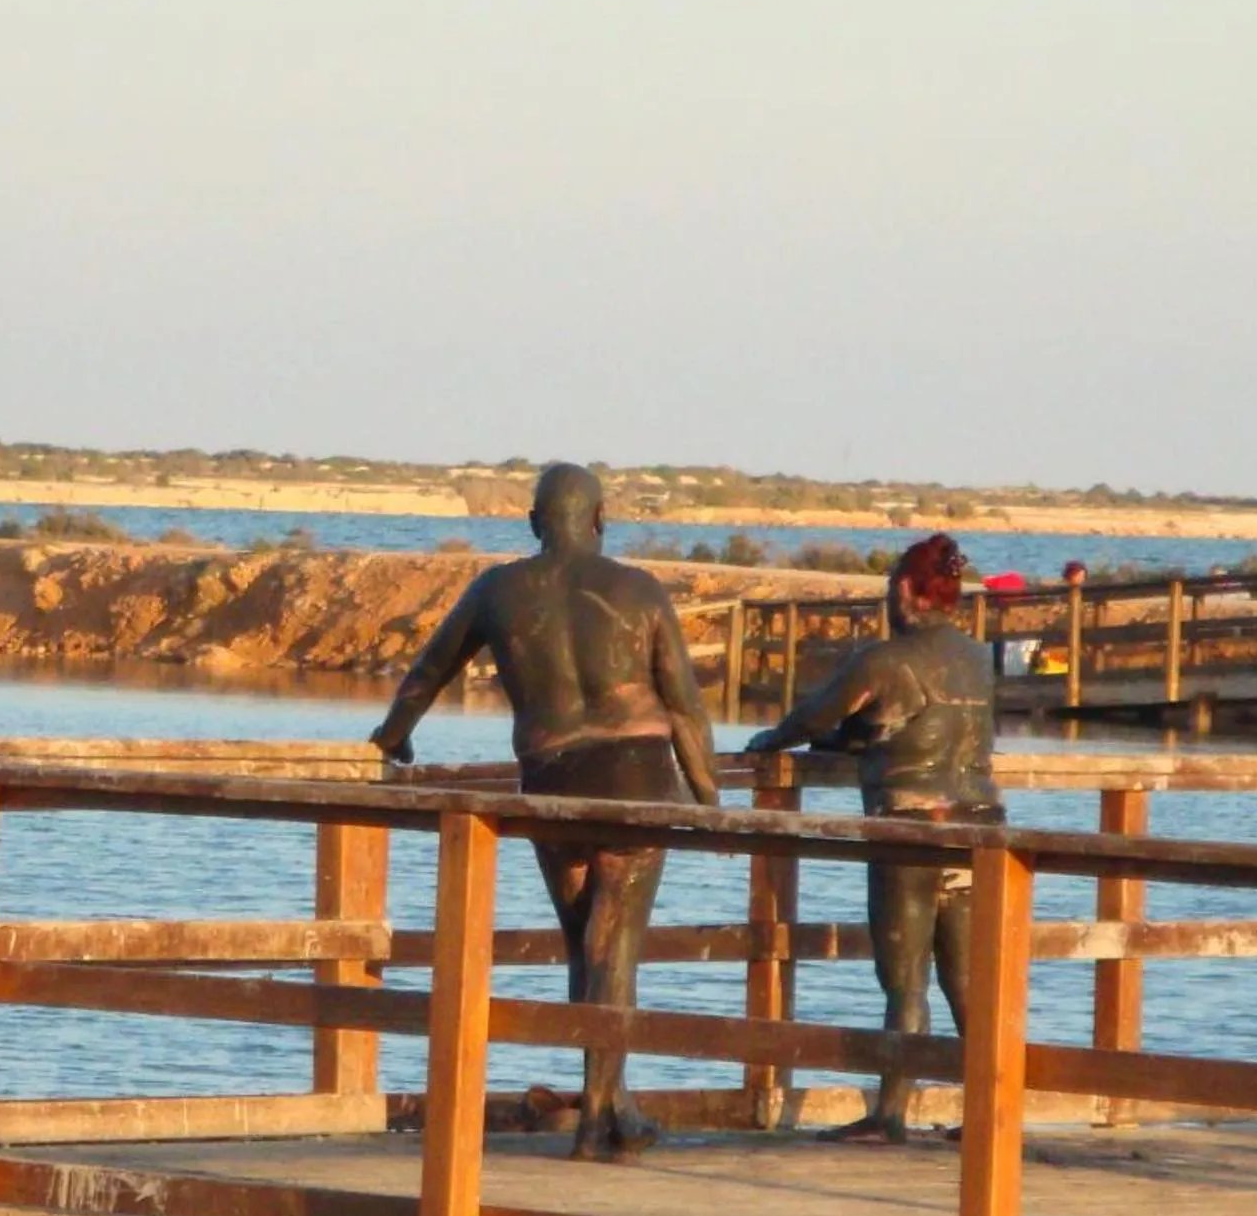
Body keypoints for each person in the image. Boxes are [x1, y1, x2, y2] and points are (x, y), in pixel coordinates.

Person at [369, 463, 718, 1162]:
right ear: (600, 520)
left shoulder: (498, 590)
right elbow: (682, 704)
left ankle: (614, 1106)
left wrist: (392, 737)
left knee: (583, 941)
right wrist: (709, 796)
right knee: (614, 946)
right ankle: (597, 1119)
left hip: (553, 776)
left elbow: (427, 672)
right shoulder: (638, 589)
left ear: (534, 523)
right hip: (636, 778)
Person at [744, 534, 1002, 1144]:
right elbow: (907, 725)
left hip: (911, 826)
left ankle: (890, 1114)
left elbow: (815, 717)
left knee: (905, 978)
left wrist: (767, 743)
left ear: (908, 593)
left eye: (891, 587)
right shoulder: (977, 660)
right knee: (968, 979)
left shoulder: (885, 660)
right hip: (983, 825)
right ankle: (993, 1113)